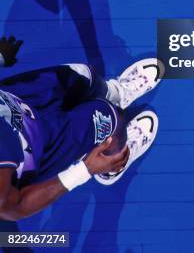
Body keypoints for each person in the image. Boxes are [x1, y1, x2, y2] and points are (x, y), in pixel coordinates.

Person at [0, 57, 163, 219]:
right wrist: (85, 169)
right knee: (114, 119)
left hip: (14, 98)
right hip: (44, 143)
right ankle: (113, 160)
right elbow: (10, 205)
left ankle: (118, 94)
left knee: (84, 76)